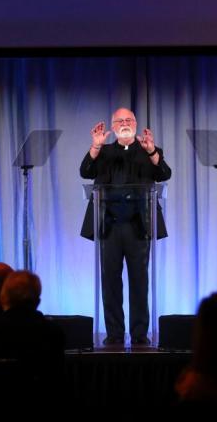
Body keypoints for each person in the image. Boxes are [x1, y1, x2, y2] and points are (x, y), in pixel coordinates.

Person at [80, 107, 171, 346]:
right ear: (112, 125)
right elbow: (85, 171)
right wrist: (96, 146)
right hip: (108, 224)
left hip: (139, 225)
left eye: (128, 119)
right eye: (119, 120)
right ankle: (115, 334)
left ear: (136, 123)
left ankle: (140, 334)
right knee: (110, 281)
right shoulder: (103, 150)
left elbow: (164, 174)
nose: (124, 123)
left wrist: (152, 151)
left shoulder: (148, 150)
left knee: (140, 281)